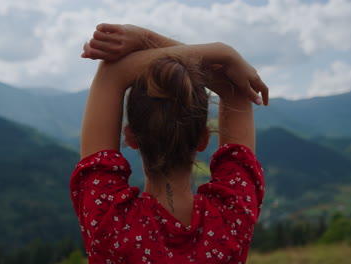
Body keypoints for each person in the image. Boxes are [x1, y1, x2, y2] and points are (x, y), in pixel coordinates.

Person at [70, 23, 268, 264]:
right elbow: (234, 88)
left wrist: (223, 53)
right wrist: (148, 38)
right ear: (203, 139)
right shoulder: (233, 217)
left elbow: (114, 73)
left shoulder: (108, 221)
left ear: (131, 137)